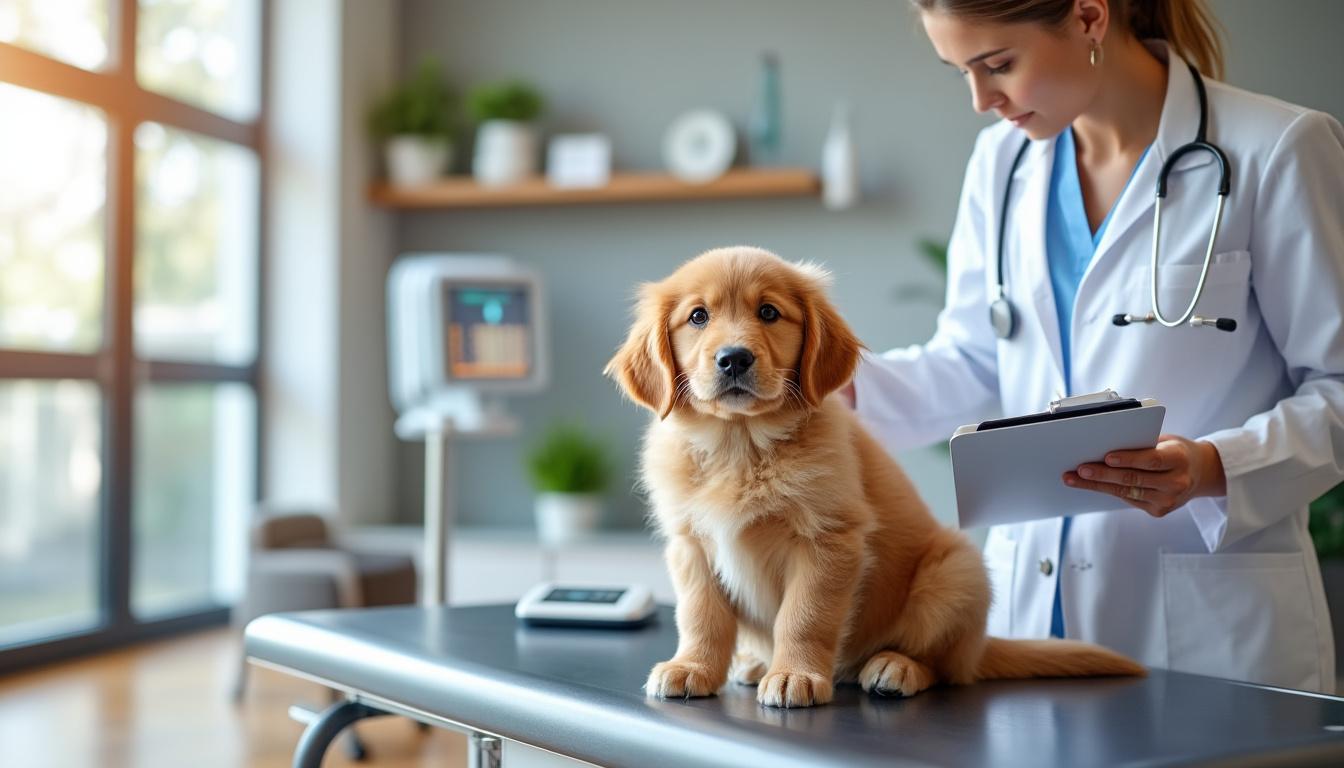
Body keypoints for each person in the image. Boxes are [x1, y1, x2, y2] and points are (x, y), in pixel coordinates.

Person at [845, 0, 1344, 693]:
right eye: (961, 72)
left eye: (998, 65)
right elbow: (971, 361)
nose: (982, 101)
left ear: (1087, 17)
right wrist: (835, 384)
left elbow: (1339, 390)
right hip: (1025, 612)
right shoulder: (1002, 165)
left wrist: (1212, 468)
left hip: (1207, 629)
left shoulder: (1278, 148)